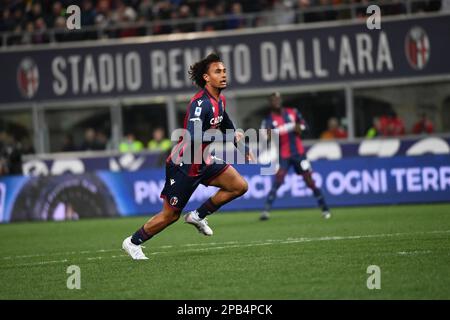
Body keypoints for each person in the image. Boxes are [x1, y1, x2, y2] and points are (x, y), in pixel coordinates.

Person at [122, 53, 254, 260]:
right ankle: (132, 242)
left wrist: (242, 146)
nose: (223, 75)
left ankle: (197, 215)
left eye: (224, 71)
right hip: (184, 164)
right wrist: (228, 136)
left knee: (239, 186)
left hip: (203, 160)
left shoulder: (219, 101)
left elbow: (227, 124)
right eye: (217, 71)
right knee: (170, 215)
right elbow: (193, 135)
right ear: (206, 78)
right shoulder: (200, 103)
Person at [260, 92, 331, 221]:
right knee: (278, 180)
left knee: (309, 180)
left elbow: (304, 127)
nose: (276, 101)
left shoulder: (293, 112)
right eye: (273, 100)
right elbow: (266, 137)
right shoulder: (268, 120)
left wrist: (297, 127)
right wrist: (287, 128)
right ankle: (266, 211)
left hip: (299, 154)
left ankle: (325, 209)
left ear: (281, 100)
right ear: (270, 103)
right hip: (284, 155)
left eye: (278, 99)